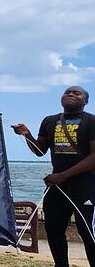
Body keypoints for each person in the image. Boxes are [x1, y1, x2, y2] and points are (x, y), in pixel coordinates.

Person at [12, 86, 95, 266]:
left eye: (76, 93)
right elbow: (40, 151)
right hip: (57, 185)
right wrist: (27, 135)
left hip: (85, 184)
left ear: (86, 101)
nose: (70, 94)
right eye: (67, 92)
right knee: (53, 229)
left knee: (87, 230)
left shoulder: (92, 121)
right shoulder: (50, 121)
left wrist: (63, 175)